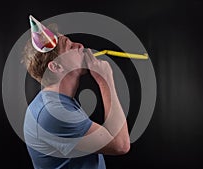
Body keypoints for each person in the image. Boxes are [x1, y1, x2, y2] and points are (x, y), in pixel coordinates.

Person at [23, 15, 130, 169]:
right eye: (70, 46)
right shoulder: (52, 112)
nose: (80, 46)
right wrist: (105, 79)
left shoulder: (58, 101)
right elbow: (120, 145)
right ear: (56, 67)